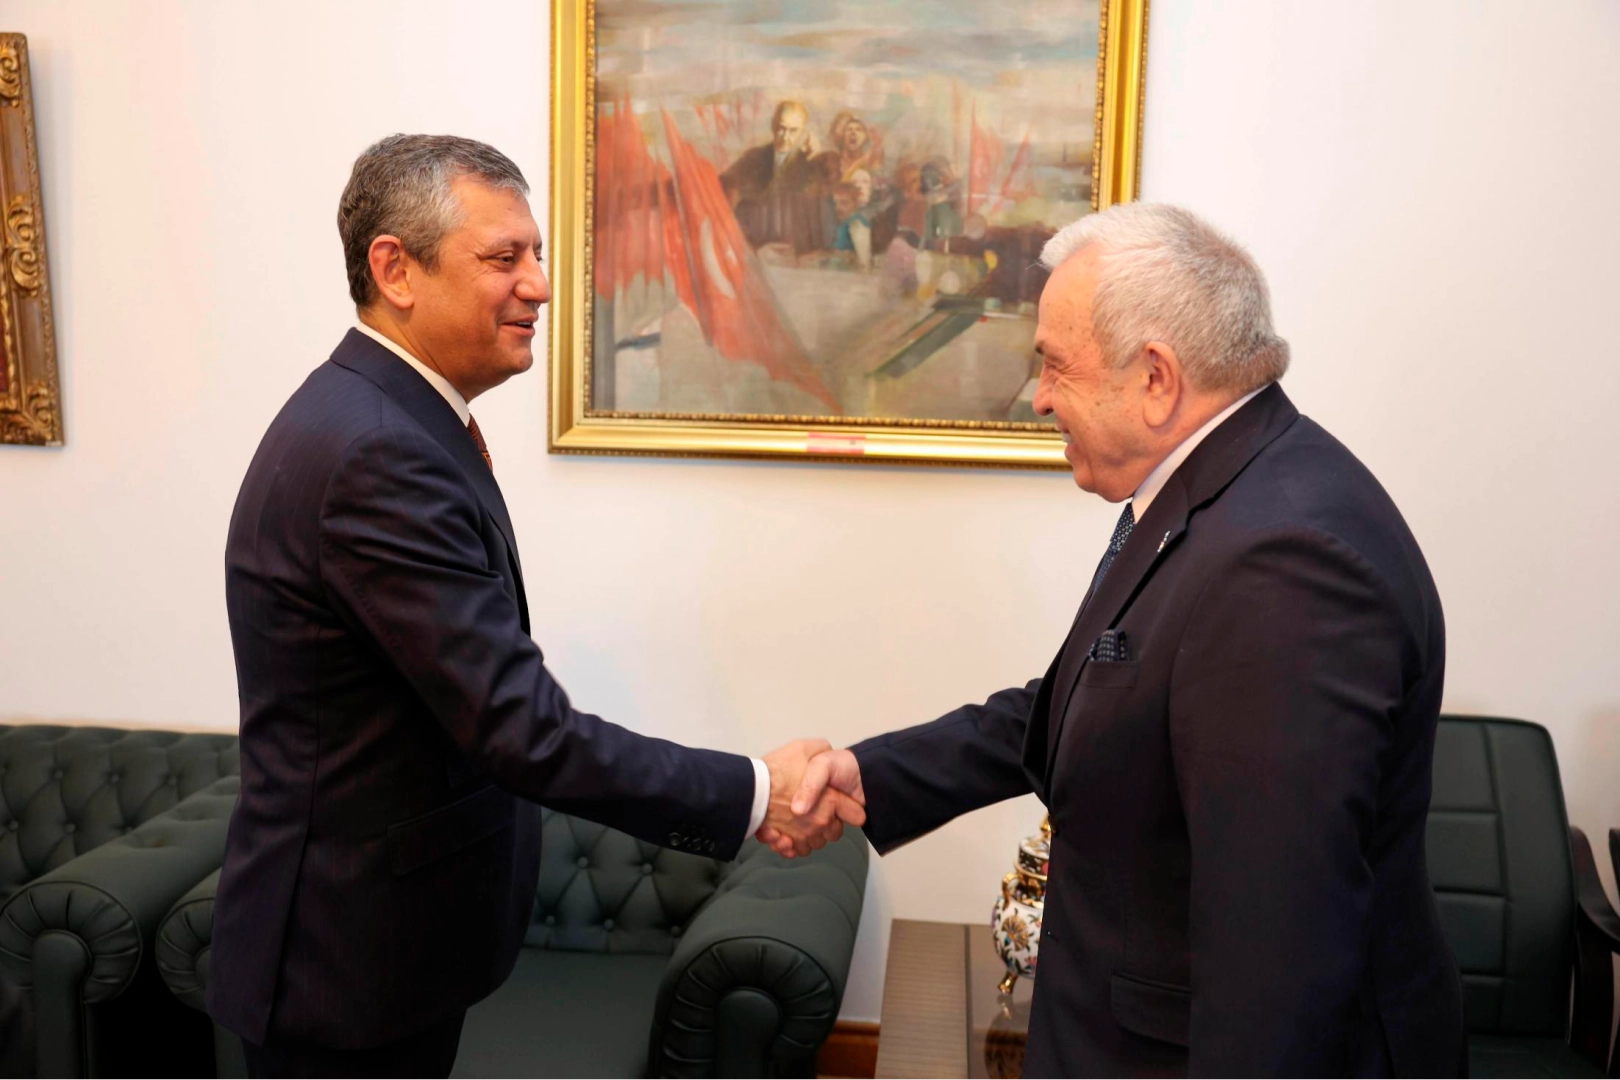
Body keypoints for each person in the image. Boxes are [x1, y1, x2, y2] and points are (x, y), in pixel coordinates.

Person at [210, 134, 860, 1080]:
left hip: (385, 954)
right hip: (343, 970)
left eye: (538, 253)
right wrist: (756, 793)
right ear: (395, 269)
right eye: (503, 257)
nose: (542, 286)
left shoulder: (390, 421)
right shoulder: (375, 453)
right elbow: (525, 731)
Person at [777, 203, 1467, 1078]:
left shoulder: (1282, 561)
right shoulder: (1226, 493)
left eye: (1055, 365)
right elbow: (1086, 697)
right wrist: (869, 774)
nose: (1040, 396)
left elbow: (1276, 958)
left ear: (1155, 378)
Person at [719, 100, 828, 254]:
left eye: (793, 131)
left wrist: (817, 160)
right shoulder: (754, 157)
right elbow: (723, 183)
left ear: (803, 132)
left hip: (793, 251)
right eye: (782, 128)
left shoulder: (810, 163)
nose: (785, 136)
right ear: (773, 125)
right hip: (752, 247)